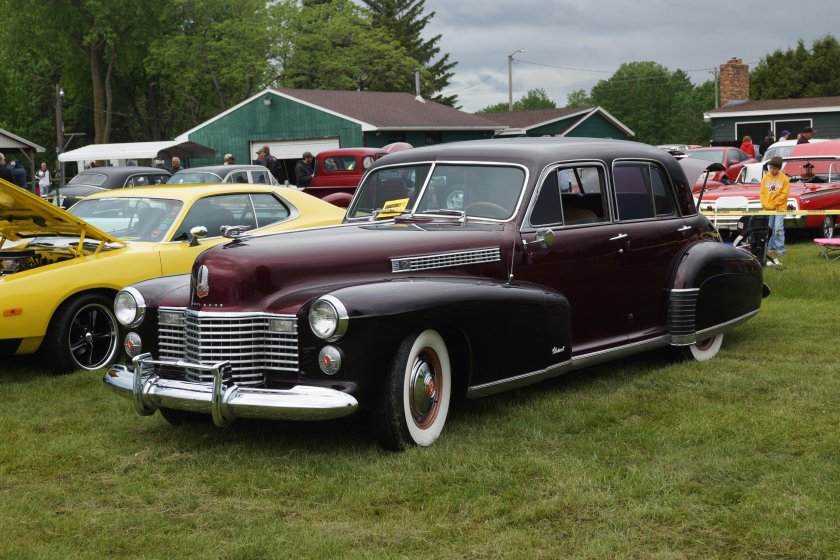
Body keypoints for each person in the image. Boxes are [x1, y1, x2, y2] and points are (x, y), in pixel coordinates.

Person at [760, 156, 790, 259]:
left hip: (779, 209)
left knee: (778, 228)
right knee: (769, 228)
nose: (772, 170)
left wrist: (774, 203)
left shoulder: (784, 179)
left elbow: (784, 195)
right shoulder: (765, 178)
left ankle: (781, 248)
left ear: (779, 169)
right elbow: (762, 193)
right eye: (771, 168)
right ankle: (770, 247)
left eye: (775, 169)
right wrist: (765, 204)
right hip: (768, 209)